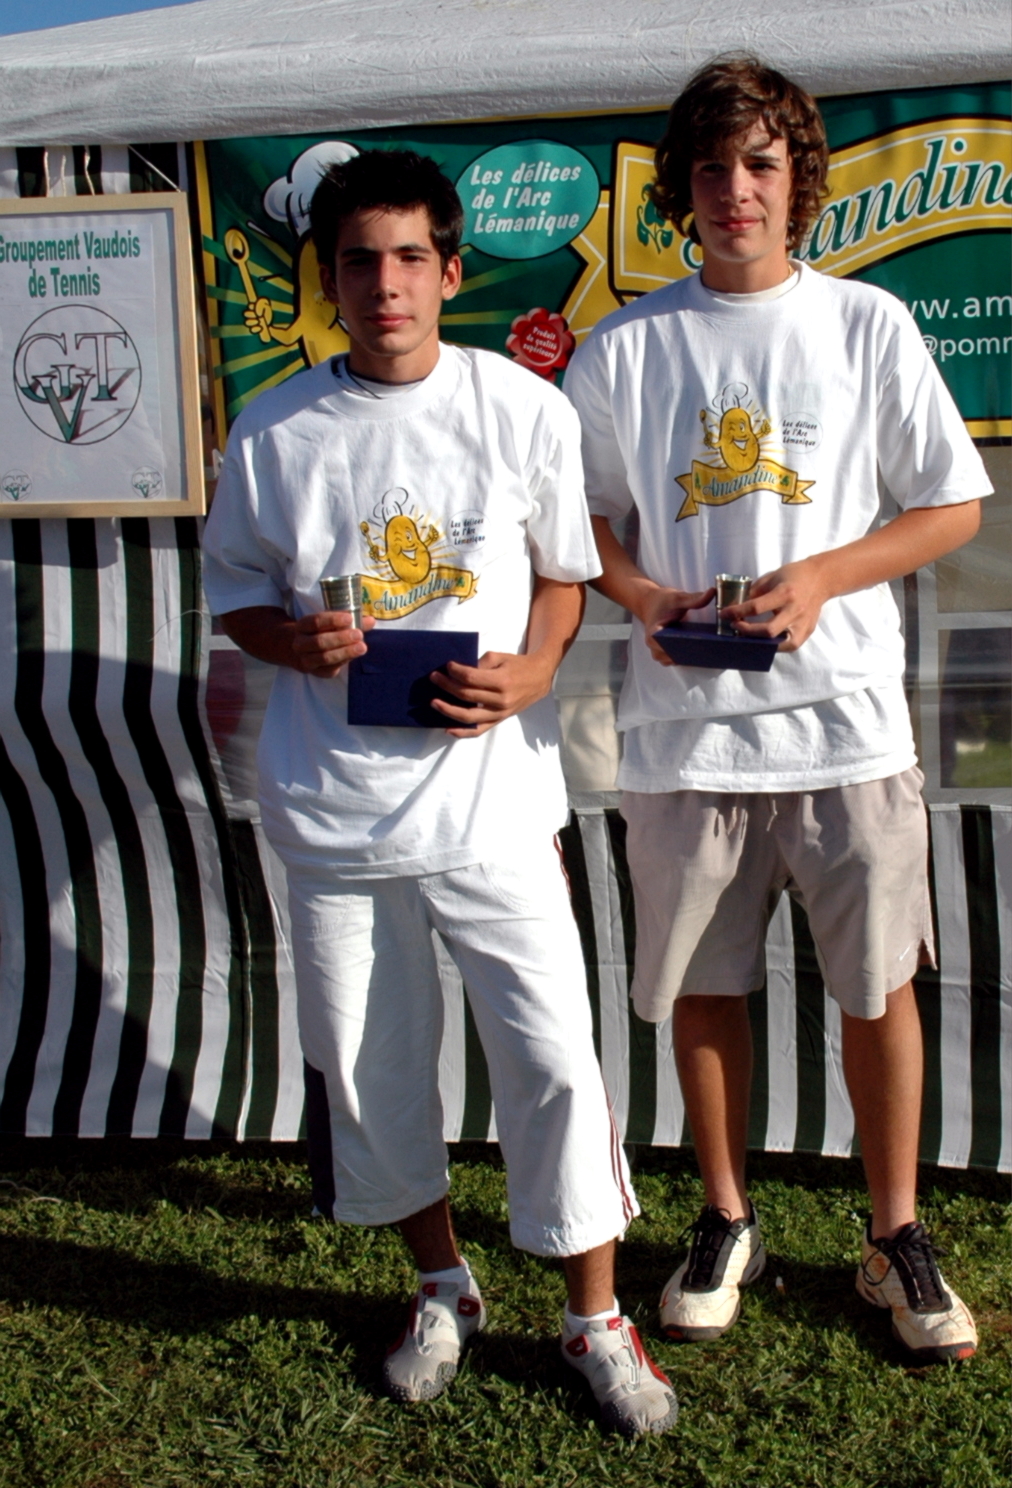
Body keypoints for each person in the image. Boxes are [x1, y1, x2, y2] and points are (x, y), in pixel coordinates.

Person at [201, 149, 676, 1437]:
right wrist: (290, 639)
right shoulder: (274, 430)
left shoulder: (520, 407)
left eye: (411, 257)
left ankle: (595, 1317)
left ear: (452, 272)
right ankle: (440, 1284)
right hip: (334, 811)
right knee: (370, 1069)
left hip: (494, 809)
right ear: (330, 280)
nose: (386, 284)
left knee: (553, 1058)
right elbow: (235, 596)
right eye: (359, 261)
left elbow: (563, 574)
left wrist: (535, 669)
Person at [564, 57, 989, 1364]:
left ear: (800, 179)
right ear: (682, 192)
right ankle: (726, 1218)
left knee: (879, 985)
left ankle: (895, 1234)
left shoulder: (866, 324)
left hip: (848, 724)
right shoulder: (624, 347)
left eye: (760, 164)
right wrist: (643, 592)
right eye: (712, 168)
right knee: (705, 986)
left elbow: (952, 507)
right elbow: (575, 522)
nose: (736, 190)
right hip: (679, 734)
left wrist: (819, 579)